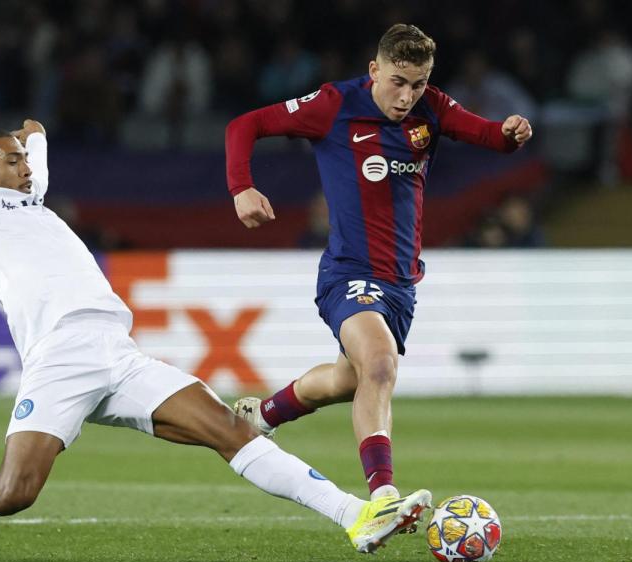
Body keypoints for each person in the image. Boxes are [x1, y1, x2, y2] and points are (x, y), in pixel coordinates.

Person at [0, 30, 432, 562]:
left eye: (24, 159)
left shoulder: (30, 194)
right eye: (12, 158)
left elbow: (37, 160)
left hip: (117, 351)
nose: (25, 167)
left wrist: (35, 136)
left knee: (229, 428)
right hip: (59, 358)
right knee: (14, 492)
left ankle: (355, 515)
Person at [225, 24, 532, 501]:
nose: (408, 95)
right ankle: (384, 496)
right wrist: (242, 186)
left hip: (402, 285)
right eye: (398, 81)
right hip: (348, 273)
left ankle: (261, 416)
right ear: (374, 70)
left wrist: (511, 134)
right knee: (382, 366)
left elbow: (488, 135)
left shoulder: (433, 107)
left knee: (350, 379)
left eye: (419, 83)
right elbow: (245, 125)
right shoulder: (334, 104)